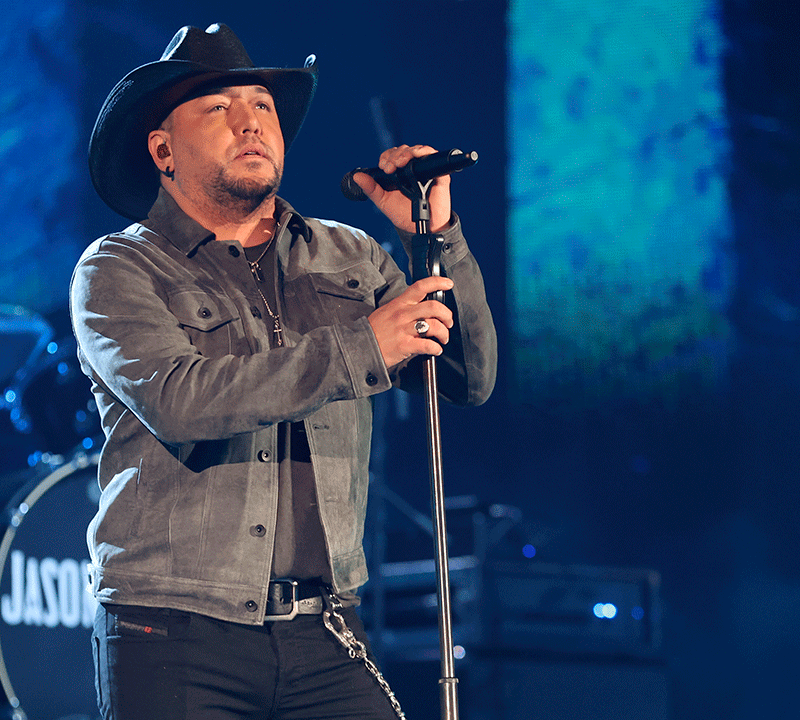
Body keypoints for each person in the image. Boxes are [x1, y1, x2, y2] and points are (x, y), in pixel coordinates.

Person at [71, 22, 497, 720]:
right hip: (174, 630)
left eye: (263, 107)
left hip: (323, 630)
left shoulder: (350, 257)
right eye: (219, 109)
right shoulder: (120, 268)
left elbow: (467, 376)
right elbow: (183, 402)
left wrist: (433, 236)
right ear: (162, 150)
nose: (251, 123)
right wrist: (362, 346)